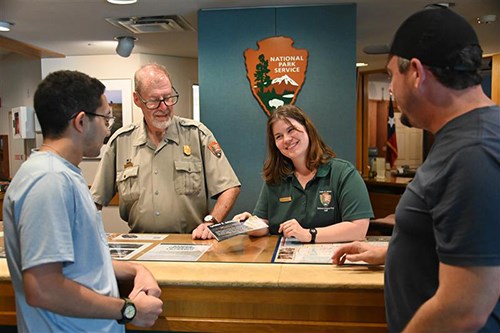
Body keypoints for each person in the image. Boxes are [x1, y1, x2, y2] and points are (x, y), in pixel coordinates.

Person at [332, 8, 500, 332]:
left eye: (392, 74)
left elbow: (463, 308)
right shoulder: (464, 137)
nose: (391, 89)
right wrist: (392, 251)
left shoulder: (472, 153)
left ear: (417, 73)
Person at [3, 70, 163, 332]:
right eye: (105, 118)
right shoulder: (49, 181)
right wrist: (128, 309)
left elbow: (80, 263)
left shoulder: (62, 175)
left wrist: (135, 269)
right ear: (81, 122)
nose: (107, 128)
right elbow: (43, 289)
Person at [90, 63, 241, 237]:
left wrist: (211, 222)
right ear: (137, 99)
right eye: (154, 101)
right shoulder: (121, 141)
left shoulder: (197, 135)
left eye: (168, 97)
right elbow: (95, 201)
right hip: (141, 243)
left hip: (191, 242)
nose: (164, 107)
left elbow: (230, 187)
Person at [230, 104, 373, 243]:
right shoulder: (275, 178)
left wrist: (309, 234)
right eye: (279, 136)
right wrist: (248, 224)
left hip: (333, 262)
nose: (286, 139)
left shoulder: (343, 173)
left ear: (308, 129)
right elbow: (264, 222)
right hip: (283, 263)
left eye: (291, 130)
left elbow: (359, 228)